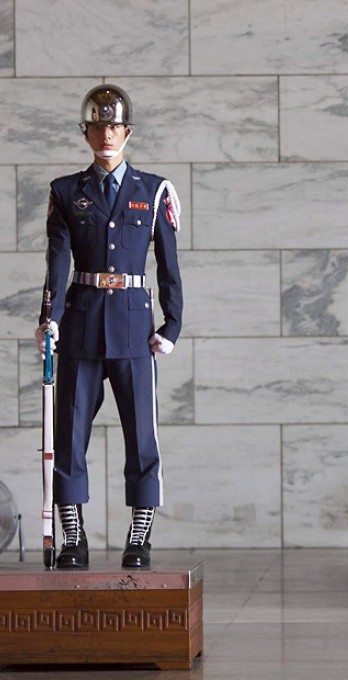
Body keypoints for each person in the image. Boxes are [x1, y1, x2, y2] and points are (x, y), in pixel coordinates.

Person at [34, 84, 183, 569]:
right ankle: (73, 537)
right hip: (80, 322)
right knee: (68, 434)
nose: (105, 134)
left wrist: (172, 324)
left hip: (135, 327)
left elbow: (168, 265)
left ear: (128, 131)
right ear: (85, 132)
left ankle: (139, 537)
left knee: (142, 434)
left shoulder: (154, 189)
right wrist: (49, 320)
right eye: (96, 126)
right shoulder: (66, 191)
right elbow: (57, 263)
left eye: (113, 125)